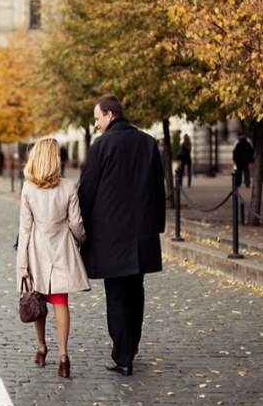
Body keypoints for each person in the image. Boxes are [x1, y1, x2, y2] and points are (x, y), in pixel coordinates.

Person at [78, 94, 166, 377]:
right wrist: (158, 226)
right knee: (135, 292)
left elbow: (87, 191)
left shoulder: (101, 145)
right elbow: (157, 189)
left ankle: (122, 355)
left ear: (110, 115)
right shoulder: (148, 143)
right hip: (141, 234)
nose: (96, 125)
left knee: (116, 295)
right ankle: (132, 347)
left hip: (110, 236)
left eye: (97, 118)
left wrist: (80, 229)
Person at [17, 138, 90, 379]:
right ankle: (63, 356)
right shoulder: (68, 187)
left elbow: (24, 229)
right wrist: (80, 240)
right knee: (60, 302)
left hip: (37, 251)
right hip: (61, 249)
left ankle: (40, 347)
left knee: (36, 299)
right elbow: (76, 223)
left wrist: (22, 263)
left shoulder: (28, 188)